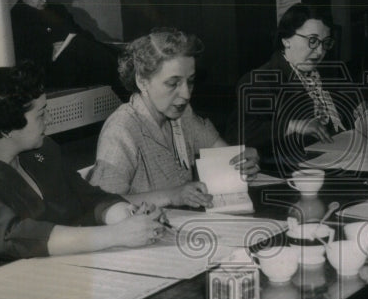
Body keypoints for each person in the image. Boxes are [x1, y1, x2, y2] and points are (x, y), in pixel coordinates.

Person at [0, 63, 168, 272]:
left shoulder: (43, 151)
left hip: (59, 274)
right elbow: (14, 236)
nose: (48, 121)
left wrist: (127, 215)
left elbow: (89, 198)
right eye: (41, 115)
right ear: (7, 126)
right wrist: (117, 235)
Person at [88, 28, 259, 207]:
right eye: (172, 83)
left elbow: (226, 154)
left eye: (190, 81)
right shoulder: (121, 130)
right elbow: (101, 204)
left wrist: (244, 160)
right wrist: (172, 196)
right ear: (142, 81)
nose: (186, 94)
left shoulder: (182, 114)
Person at [228, 4, 361, 173]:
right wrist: (292, 126)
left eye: (325, 43)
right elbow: (238, 135)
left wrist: (362, 112)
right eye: (312, 41)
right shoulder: (260, 81)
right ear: (286, 40)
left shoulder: (323, 74)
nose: (320, 51)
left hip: (335, 160)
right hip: (286, 171)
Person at [9, 0, 125, 96]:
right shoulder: (15, 17)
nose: (44, 0)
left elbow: (79, 32)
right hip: (48, 73)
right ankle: (130, 96)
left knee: (117, 56)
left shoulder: (57, 9)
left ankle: (124, 68)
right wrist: (50, 51)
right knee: (114, 65)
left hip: (75, 63)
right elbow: (20, 57)